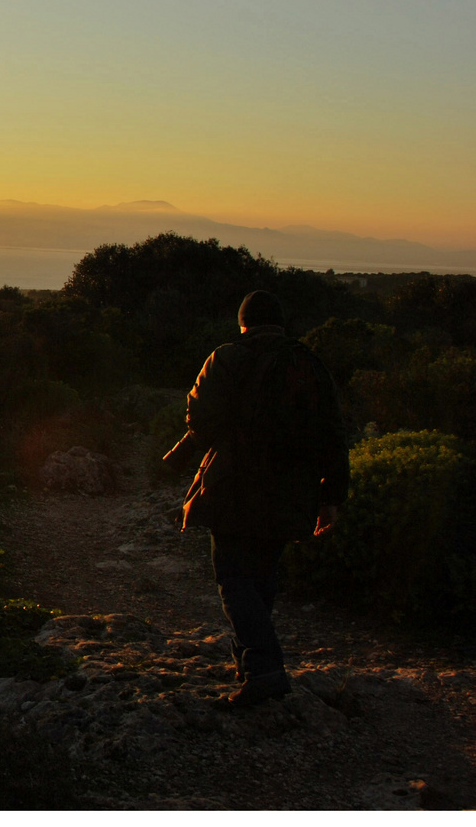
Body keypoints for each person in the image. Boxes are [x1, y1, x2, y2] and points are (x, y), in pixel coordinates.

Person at [165, 289, 350, 709]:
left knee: (233, 576)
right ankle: (250, 667)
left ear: (242, 322)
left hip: (235, 485)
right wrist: (331, 497)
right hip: (294, 491)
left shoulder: (225, 357)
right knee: (262, 576)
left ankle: (265, 670)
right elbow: (334, 434)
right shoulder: (310, 363)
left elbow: (200, 422)